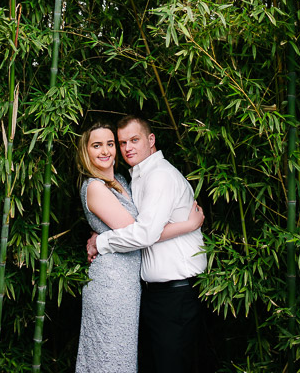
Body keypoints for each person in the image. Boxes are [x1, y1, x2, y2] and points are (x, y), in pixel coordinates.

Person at [75, 122, 204, 373]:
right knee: (109, 355)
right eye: (97, 145)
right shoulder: (95, 186)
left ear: (151, 139)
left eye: (111, 144)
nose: (108, 150)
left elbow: (140, 232)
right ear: (86, 151)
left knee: (125, 356)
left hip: (135, 286)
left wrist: (101, 238)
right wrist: (187, 225)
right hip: (111, 284)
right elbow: (139, 231)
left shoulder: (127, 179)